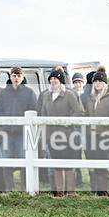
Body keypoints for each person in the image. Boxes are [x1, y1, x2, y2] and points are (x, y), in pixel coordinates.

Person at [40, 68, 84, 197]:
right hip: (52, 136)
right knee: (56, 164)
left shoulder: (69, 95)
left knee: (69, 163)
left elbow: (79, 112)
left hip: (67, 135)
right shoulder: (46, 96)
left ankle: (71, 191)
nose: (53, 81)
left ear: (61, 81)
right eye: (51, 79)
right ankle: (59, 191)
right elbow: (43, 113)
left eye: (56, 79)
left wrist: (67, 121)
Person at [0, 66, 37, 191]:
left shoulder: (29, 93)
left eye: (19, 75)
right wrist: (5, 120)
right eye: (14, 75)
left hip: (22, 133)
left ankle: (25, 187)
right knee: (6, 161)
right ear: (10, 77)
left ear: (23, 77)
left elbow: (33, 109)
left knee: (24, 161)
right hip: (7, 132)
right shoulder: (4, 93)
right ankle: (9, 188)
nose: (16, 78)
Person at [83, 68, 109, 196]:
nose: (97, 84)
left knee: (102, 162)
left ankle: (103, 190)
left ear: (105, 82)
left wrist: (104, 123)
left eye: (100, 81)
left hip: (107, 134)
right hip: (92, 134)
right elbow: (87, 115)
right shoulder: (91, 98)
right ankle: (99, 189)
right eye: (95, 81)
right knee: (95, 162)